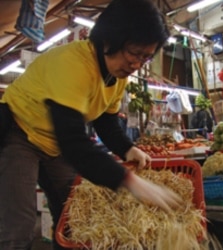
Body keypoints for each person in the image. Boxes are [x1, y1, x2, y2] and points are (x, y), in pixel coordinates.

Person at [0, 0, 183, 249]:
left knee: (74, 216)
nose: (137, 64)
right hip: (19, 132)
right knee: (18, 223)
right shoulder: (73, 63)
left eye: (146, 57)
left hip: (53, 143)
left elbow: (105, 120)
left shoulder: (116, 77)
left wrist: (128, 149)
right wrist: (130, 182)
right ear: (111, 38)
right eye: (134, 52)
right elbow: (74, 143)